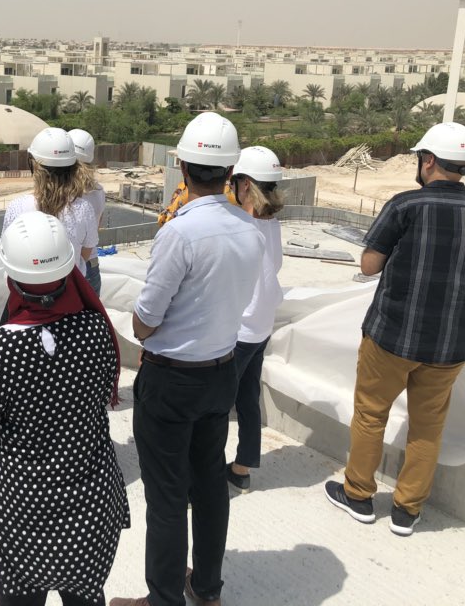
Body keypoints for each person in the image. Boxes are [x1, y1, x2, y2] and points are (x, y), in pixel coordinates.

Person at [324, 122, 465, 537]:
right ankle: (407, 511)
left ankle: (359, 496)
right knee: (428, 428)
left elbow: (368, 266)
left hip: (391, 337)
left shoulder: (405, 205)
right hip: (450, 347)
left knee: (371, 415)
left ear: (428, 160)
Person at [111, 112, 262, 606]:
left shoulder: (179, 233)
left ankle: (164, 599)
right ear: (230, 170)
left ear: (182, 166)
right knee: (210, 486)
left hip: (172, 381)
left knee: (168, 496)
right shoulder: (250, 229)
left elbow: (145, 322)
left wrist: (143, 323)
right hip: (220, 373)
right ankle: (207, 588)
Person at [0, 211, 129, 606]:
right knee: (85, 596)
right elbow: (100, 397)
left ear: (12, 278)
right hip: (90, 507)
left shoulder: (0, 347)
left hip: (23, 508)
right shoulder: (96, 329)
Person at [224, 146, 284, 494]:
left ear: (244, 184)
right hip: (262, 326)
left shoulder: (240, 226)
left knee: (216, 406)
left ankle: (204, 475)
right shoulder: (271, 224)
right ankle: (242, 469)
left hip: (240, 330)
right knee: (248, 398)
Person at [3, 128, 99, 278]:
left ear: (32, 165)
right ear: (73, 167)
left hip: (28, 289)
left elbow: (7, 252)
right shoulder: (84, 209)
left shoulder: (17, 207)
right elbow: (85, 254)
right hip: (68, 288)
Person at [68, 128, 105, 295]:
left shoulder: (63, 194)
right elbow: (95, 230)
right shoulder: (98, 191)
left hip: (68, 268)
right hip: (91, 267)